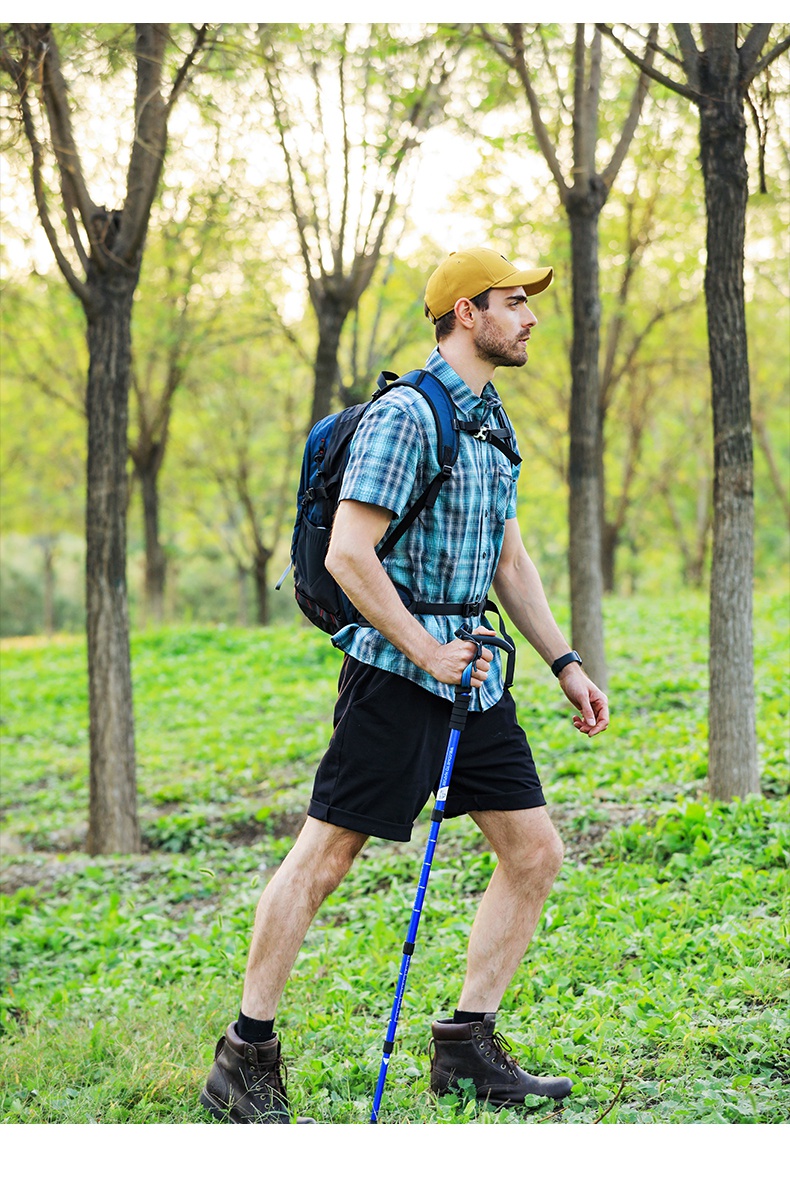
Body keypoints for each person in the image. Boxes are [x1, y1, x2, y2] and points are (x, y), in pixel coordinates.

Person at [200, 246, 609, 1125]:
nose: (532, 316)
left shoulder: (490, 422)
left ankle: (466, 1051)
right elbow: (350, 553)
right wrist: (424, 650)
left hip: (476, 676)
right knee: (324, 859)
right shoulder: (407, 416)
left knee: (533, 853)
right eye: (514, 301)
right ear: (466, 313)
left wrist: (563, 662)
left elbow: (506, 555)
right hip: (398, 676)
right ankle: (245, 1056)